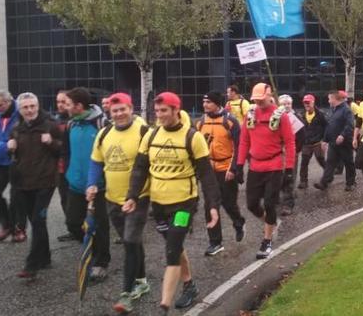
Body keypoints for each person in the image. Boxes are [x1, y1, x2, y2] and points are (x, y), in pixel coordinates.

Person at [123, 91, 221, 314]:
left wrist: (213, 206)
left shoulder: (192, 137)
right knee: (175, 247)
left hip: (184, 204)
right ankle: (189, 285)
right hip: (159, 204)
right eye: (157, 111)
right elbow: (140, 169)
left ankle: (164, 304)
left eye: (164, 111)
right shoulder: (151, 135)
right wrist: (132, 196)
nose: (159, 115)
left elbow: (207, 176)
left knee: (173, 246)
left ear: (176, 110)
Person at [85, 93, 151, 312]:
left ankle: (127, 292)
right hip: (112, 199)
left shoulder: (144, 132)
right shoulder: (104, 134)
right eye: (115, 111)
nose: (119, 114)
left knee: (130, 242)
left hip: (139, 198)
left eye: (123, 109)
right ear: (109, 113)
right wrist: (92, 184)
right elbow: (96, 162)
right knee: (131, 241)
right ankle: (141, 281)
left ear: (131, 108)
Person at [233, 83, 295, 260]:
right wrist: (239, 165)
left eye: (261, 100)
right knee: (252, 204)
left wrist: (289, 168)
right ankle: (272, 222)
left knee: (269, 203)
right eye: (256, 100)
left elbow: (290, 142)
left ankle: (266, 242)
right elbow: (244, 140)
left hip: (274, 165)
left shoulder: (280, 116)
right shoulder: (250, 114)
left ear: (270, 96)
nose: (259, 103)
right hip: (255, 166)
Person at [8, 92, 62, 280]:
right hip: (24, 183)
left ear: (38, 106)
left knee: (38, 221)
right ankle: (45, 257)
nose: (30, 110)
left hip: (45, 182)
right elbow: (13, 157)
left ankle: (31, 265)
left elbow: (63, 150)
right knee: (35, 222)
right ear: (20, 110)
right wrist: (10, 147)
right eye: (25, 107)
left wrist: (52, 142)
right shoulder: (16, 128)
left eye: (33, 106)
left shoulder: (50, 125)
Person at [62, 87, 110, 282]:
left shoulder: (102, 124)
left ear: (79, 106)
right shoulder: (71, 124)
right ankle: (92, 246)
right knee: (72, 223)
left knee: (100, 225)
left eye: (67, 104)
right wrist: (68, 172)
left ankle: (101, 261)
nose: (64, 107)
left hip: (98, 185)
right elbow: (67, 151)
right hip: (75, 184)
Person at [195, 92, 245, 257]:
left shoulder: (230, 121)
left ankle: (238, 222)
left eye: (208, 102)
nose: (205, 105)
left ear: (217, 103)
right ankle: (215, 242)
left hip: (226, 168)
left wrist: (233, 169)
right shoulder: (201, 122)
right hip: (209, 170)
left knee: (228, 203)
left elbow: (239, 146)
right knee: (210, 205)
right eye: (204, 102)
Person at [0, 90, 24, 243]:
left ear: (9, 102)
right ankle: (6, 225)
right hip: (0, 162)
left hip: (17, 161)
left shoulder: (20, 114)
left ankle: (19, 228)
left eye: (0, 105)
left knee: (17, 197)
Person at [314, 91, 356, 191]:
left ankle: (351, 183)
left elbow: (350, 125)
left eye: (329, 99)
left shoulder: (346, 110)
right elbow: (330, 127)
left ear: (335, 99)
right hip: (333, 142)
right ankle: (324, 182)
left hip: (345, 143)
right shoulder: (334, 110)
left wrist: (342, 135)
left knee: (348, 162)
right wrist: (325, 140)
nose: (328, 101)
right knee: (330, 162)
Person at [277, 95, 304, 217]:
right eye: (284, 104)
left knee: (290, 176)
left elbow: (302, 136)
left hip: (291, 152)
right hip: (278, 153)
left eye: (288, 104)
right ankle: (285, 194)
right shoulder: (276, 117)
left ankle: (288, 204)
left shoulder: (296, 117)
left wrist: (296, 150)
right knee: (279, 177)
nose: (286, 106)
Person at [297, 95, 327, 189]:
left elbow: (327, 127)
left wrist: (324, 140)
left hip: (318, 142)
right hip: (306, 143)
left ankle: (327, 178)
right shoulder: (301, 114)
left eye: (308, 102)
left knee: (321, 161)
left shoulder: (320, 114)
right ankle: (303, 182)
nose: (306, 104)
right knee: (304, 162)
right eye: (305, 102)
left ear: (313, 102)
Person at [54, 90, 71, 219]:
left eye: (63, 102)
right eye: (58, 102)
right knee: (64, 198)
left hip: (73, 166)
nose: (60, 105)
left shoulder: (75, 121)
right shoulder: (55, 121)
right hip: (60, 168)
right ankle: (72, 228)